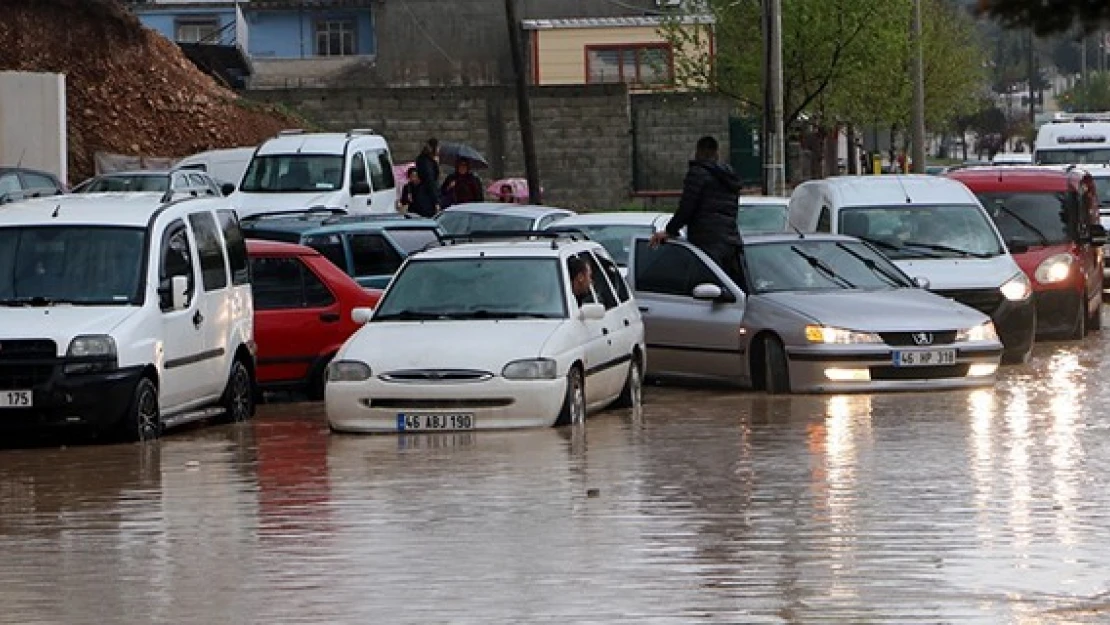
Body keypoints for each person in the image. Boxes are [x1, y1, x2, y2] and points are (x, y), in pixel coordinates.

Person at [650, 136, 745, 287]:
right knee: (731, 290)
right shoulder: (729, 177)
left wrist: (670, 231)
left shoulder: (698, 174)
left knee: (705, 290)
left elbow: (687, 207)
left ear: (698, 152)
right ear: (717, 153)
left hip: (707, 242)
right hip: (731, 242)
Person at [415, 137, 441, 211]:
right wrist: (436, 201)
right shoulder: (426, 163)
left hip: (424, 194)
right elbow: (430, 181)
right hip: (427, 197)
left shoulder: (425, 160)